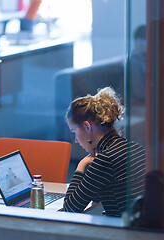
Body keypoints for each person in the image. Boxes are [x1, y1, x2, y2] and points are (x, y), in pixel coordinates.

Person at [62, 87, 146, 217]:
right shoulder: (133, 147)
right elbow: (95, 192)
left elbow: (70, 208)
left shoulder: (105, 159)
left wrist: (81, 166)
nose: (76, 140)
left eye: (74, 131)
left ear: (87, 127)